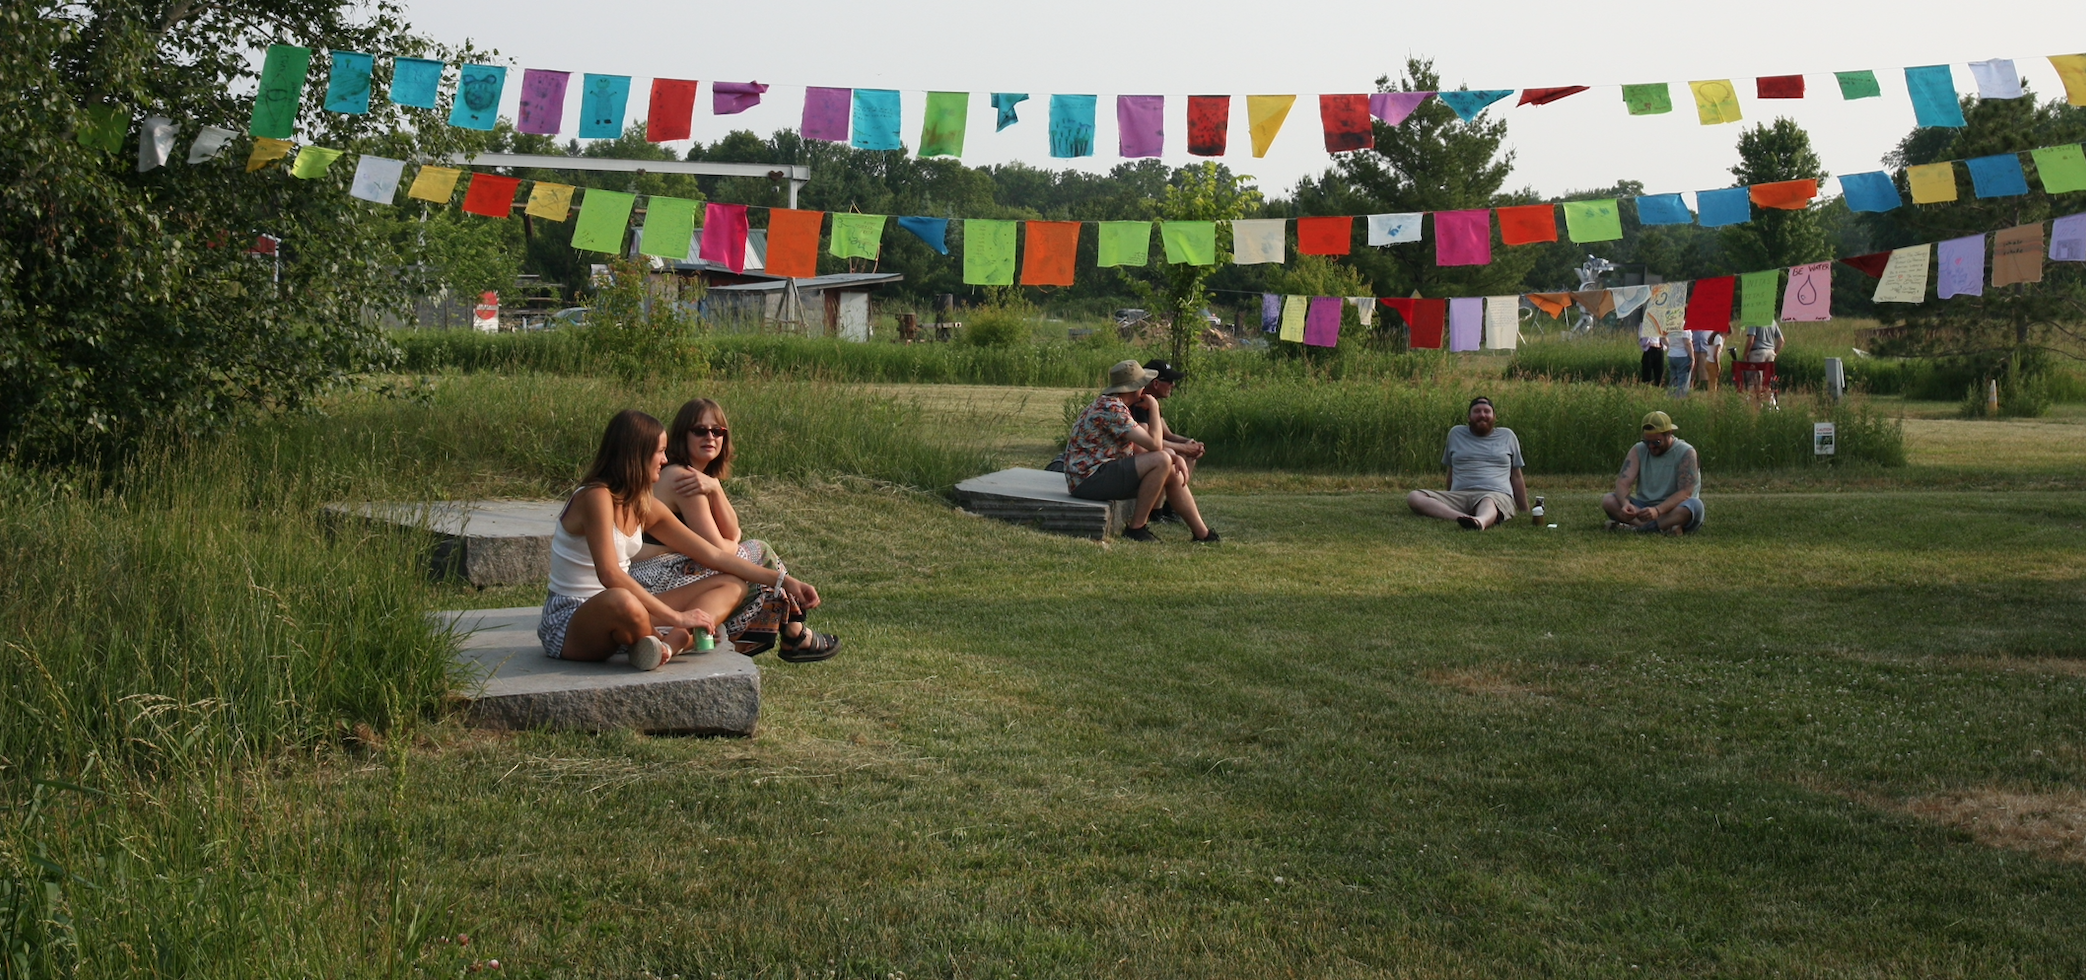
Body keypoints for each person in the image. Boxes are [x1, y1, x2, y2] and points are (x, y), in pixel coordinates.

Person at [538, 409, 823, 670]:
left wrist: (782, 580)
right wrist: (678, 618)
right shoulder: (595, 496)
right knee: (622, 599)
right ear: (636, 453)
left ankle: (663, 647)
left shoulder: (642, 503)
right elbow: (610, 574)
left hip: (633, 614)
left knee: (731, 583)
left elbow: (714, 555)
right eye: (659, 452)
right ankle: (678, 638)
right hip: (572, 621)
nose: (665, 459)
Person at [630, 398, 841, 662]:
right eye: (700, 430)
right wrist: (734, 543)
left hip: (665, 570)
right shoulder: (683, 479)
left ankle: (793, 633)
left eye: (717, 431)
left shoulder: (699, 478)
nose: (710, 437)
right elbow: (720, 548)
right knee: (759, 553)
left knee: (753, 561)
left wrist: (716, 488)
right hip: (653, 578)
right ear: (681, 436)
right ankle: (794, 633)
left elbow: (731, 530)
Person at [1063, 359, 1217, 543]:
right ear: (1135, 387)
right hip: (1088, 480)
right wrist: (1154, 407)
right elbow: (1154, 445)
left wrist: (1174, 456)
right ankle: (1137, 528)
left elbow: (1143, 449)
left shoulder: (1115, 406)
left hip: (1096, 475)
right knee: (1161, 460)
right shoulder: (1112, 409)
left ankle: (1202, 534)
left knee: (1171, 470)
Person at [1407, 396, 1528, 531]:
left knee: (1488, 501)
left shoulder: (1507, 436)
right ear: (1469, 417)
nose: (1482, 415)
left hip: (1495, 494)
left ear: (1494, 417)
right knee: (1415, 497)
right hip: (1460, 495)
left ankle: (1480, 521)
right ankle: (1462, 517)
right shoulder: (1456, 433)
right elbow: (1451, 472)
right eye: (1477, 411)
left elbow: (1516, 476)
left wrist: (1524, 509)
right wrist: (1449, 496)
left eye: (1487, 411)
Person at [1125, 359, 1207, 523]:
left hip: (1146, 452)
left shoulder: (1153, 403)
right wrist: (1183, 448)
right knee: (1170, 454)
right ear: (1156, 383)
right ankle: (1156, 511)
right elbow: (1146, 444)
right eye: (1170, 381)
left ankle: (1171, 505)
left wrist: (1190, 443)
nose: (1173, 385)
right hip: (1135, 459)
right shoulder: (1141, 404)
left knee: (1187, 453)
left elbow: (1167, 434)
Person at [1601, 411, 1705, 535]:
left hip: (1674, 508)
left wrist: (1658, 510)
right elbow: (1623, 482)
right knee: (1609, 500)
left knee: (1695, 505)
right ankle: (1665, 527)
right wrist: (1625, 504)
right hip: (1644, 509)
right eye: (1647, 442)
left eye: (1656, 442)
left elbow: (1685, 493)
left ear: (1669, 434)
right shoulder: (1638, 449)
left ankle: (1638, 528)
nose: (1651, 446)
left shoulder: (1686, 452)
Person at [1741, 320, 1783, 406]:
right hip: (1770, 352)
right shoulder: (1772, 321)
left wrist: (1745, 354)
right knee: (1767, 381)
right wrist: (1775, 353)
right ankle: (1769, 405)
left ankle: (1756, 406)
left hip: (1758, 353)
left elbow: (1751, 340)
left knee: (1755, 381)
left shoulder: (1754, 321)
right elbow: (1781, 341)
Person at [1691, 328, 1725, 394]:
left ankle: (1704, 388)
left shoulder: (1711, 327)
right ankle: (1691, 387)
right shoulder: (1694, 325)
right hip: (1694, 348)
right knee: (1693, 370)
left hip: (1704, 349)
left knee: (1705, 373)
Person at [1667, 326, 1696, 398]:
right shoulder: (1685, 327)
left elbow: (1663, 337)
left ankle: (1670, 398)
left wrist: (1670, 346)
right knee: (1682, 382)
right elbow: (1687, 343)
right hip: (1682, 355)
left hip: (1671, 354)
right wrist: (1692, 358)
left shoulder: (1671, 326)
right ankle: (1680, 400)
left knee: (1673, 380)